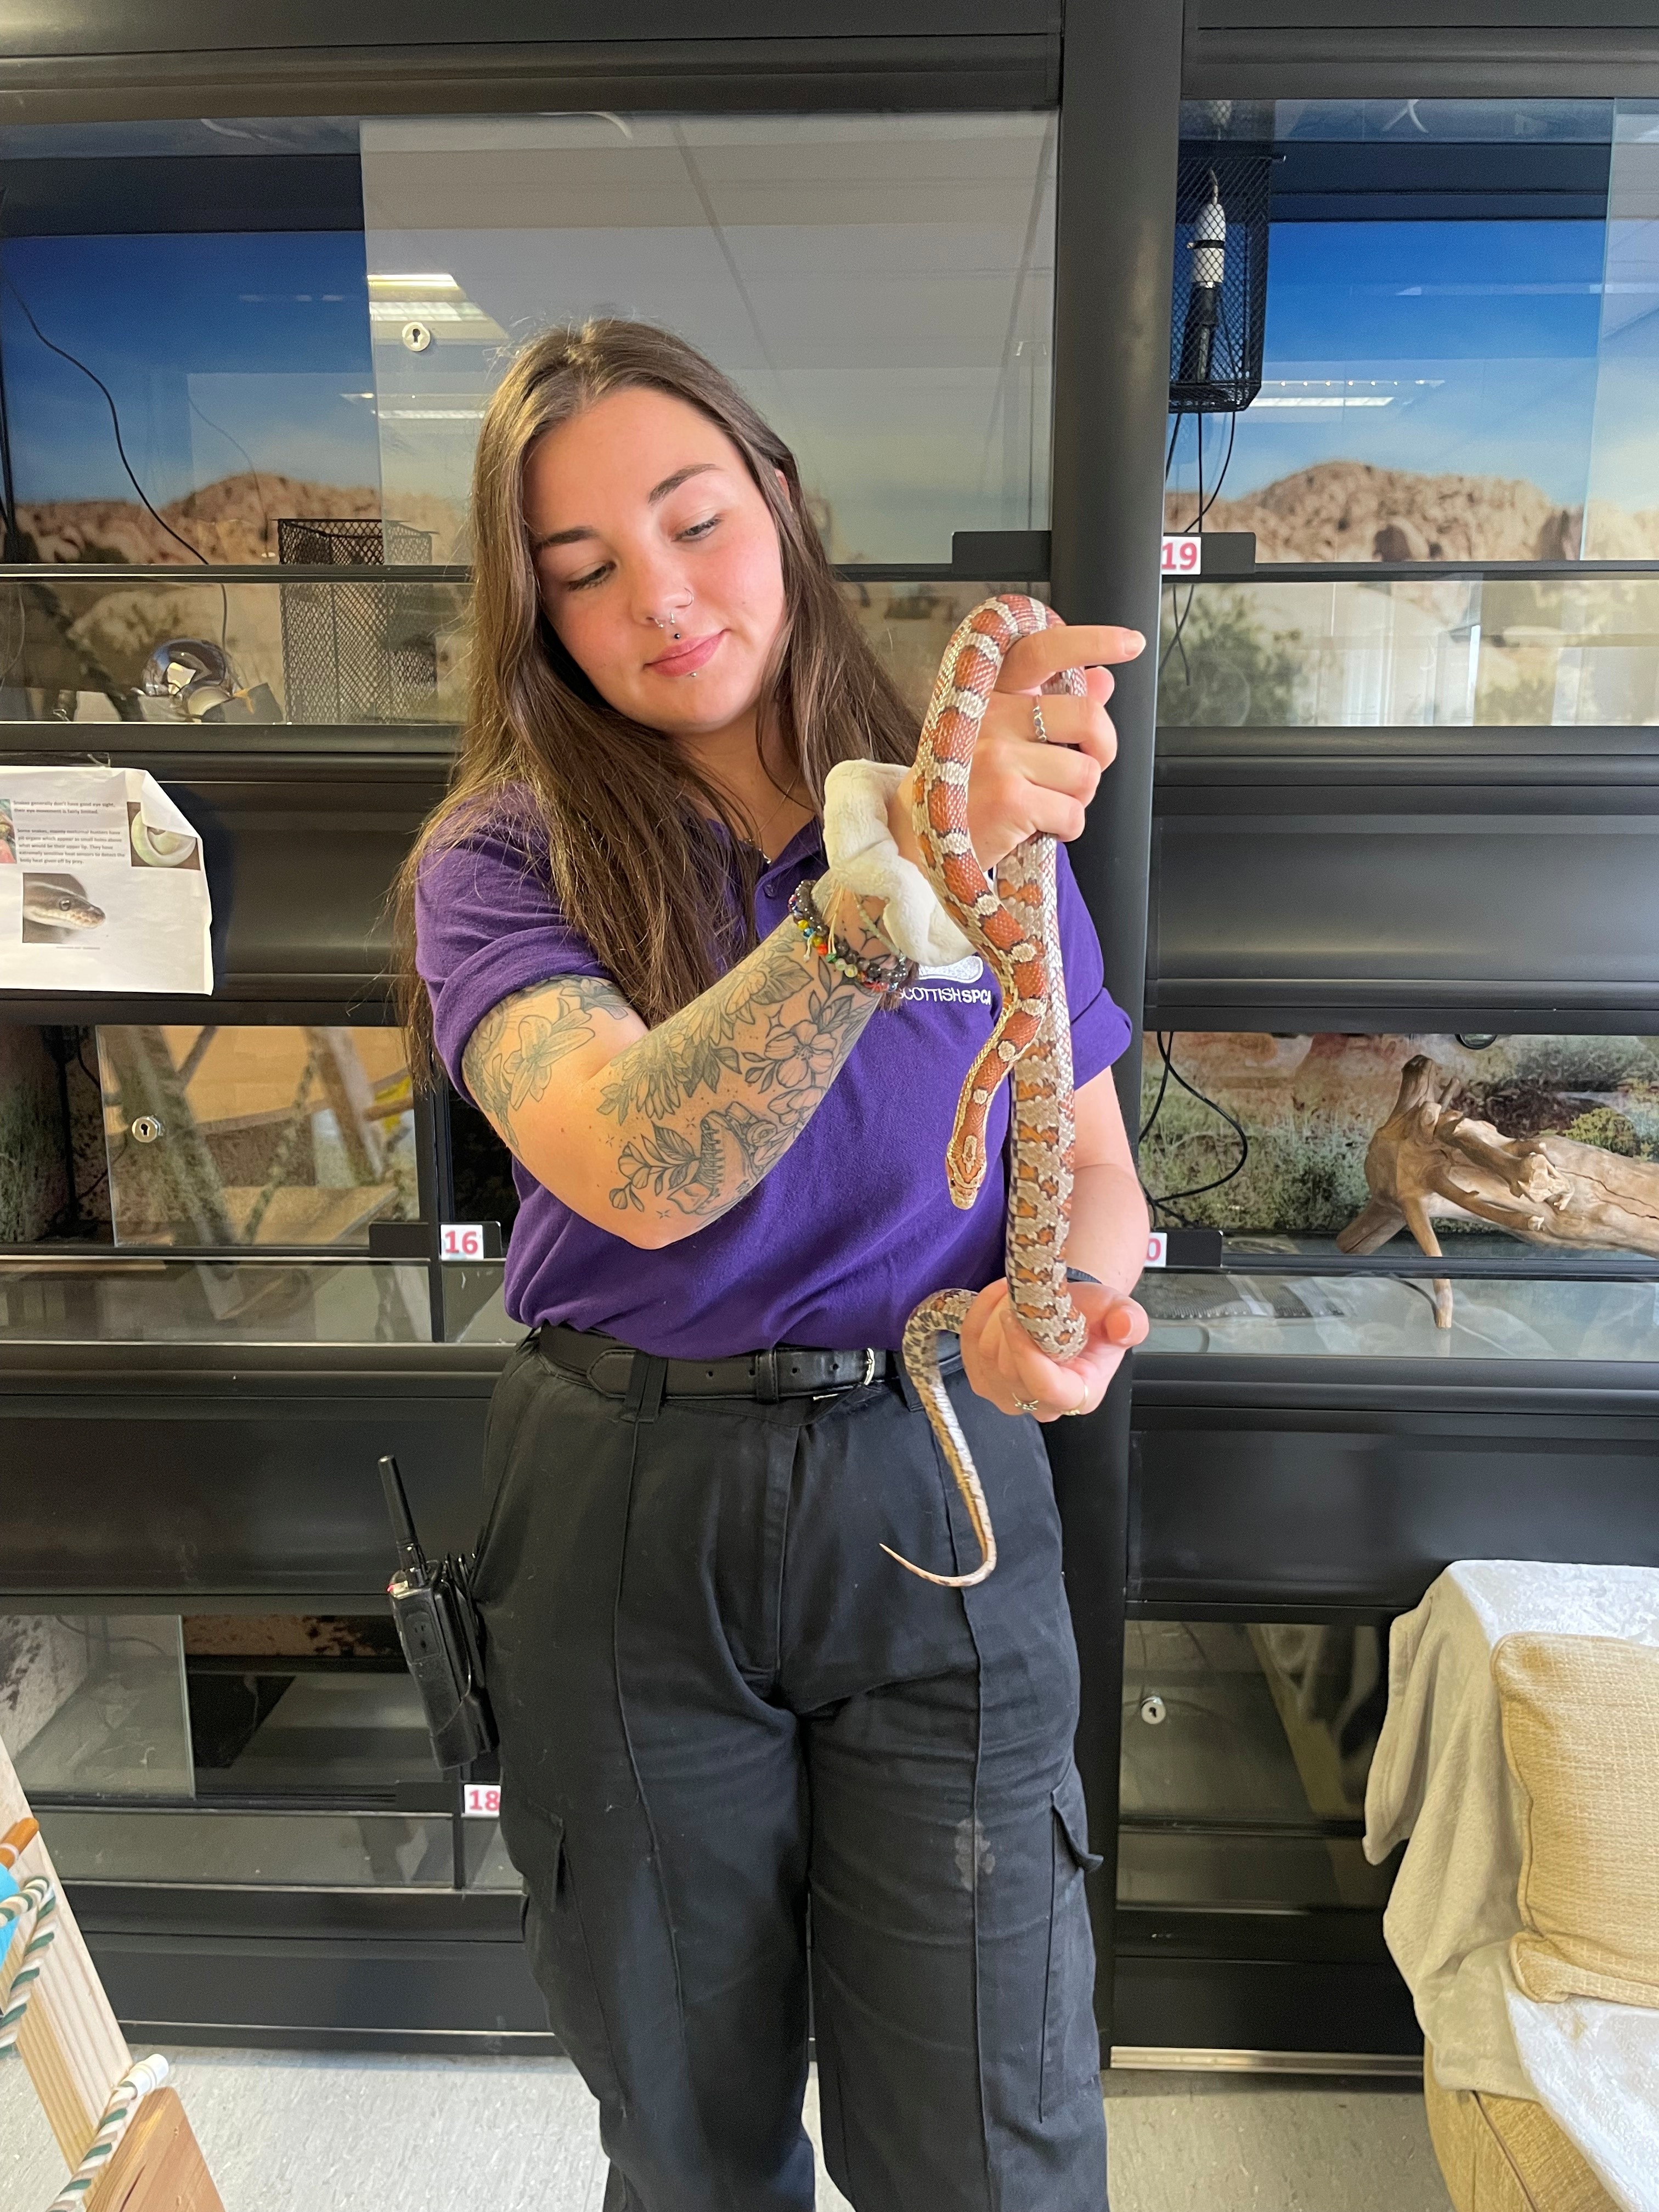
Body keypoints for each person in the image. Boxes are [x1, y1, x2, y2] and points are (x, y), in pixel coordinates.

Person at [400, 318, 1150, 2212]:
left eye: (694, 521)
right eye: (580, 574)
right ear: (534, 620)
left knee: (993, 2135)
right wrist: (891, 889)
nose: (659, 597)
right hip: (627, 1509)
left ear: (783, 507)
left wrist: (1061, 1313)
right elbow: (644, 1165)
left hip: (935, 1472)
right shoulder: (499, 861)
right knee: (691, 2129)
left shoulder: (983, 809)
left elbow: (1090, 1161)